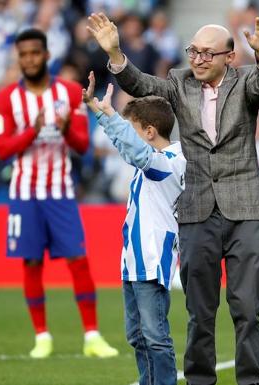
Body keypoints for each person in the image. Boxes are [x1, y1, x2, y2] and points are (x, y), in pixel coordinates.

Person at [88, 12, 259, 385]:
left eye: (209, 53)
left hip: (245, 207)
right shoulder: (179, 82)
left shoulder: (245, 82)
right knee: (200, 311)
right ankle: (199, 381)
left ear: (230, 57)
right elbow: (141, 84)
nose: (199, 59)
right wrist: (115, 54)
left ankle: (253, 381)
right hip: (196, 209)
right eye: (194, 51)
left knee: (246, 309)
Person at [0, 28, 118, 359]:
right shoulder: (7, 98)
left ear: (47, 55)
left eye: (35, 53)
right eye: (24, 54)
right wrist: (32, 131)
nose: (30, 59)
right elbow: (2, 149)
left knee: (78, 259)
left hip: (60, 191)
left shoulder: (69, 93)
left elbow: (83, 144)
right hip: (23, 193)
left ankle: (92, 336)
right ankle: (42, 337)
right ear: (19, 59)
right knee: (31, 262)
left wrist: (63, 129)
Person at [83, 72, 186, 385]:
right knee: (137, 336)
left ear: (150, 132)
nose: (128, 138)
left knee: (155, 336)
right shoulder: (153, 158)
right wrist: (103, 114)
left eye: (133, 130)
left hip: (151, 258)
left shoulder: (171, 161)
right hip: (133, 259)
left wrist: (110, 114)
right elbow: (131, 149)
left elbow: (137, 152)